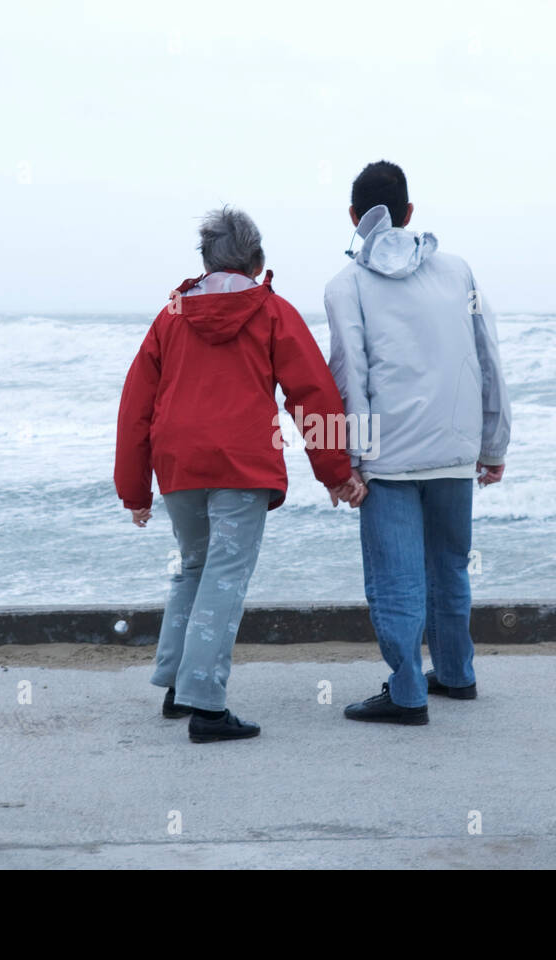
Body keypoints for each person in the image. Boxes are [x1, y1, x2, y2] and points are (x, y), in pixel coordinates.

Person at [115, 207, 363, 744]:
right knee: (224, 574)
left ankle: (178, 688)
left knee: (194, 568)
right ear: (258, 261)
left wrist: (134, 489)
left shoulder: (171, 315)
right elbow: (311, 394)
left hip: (178, 460)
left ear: (205, 262)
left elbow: (136, 403)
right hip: (241, 462)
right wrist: (336, 472)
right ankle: (205, 705)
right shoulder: (270, 310)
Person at [325, 161, 511, 725]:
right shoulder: (458, 271)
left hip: (389, 457)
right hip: (455, 449)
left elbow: (347, 376)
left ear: (355, 218)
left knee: (395, 579)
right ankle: (456, 674)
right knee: (450, 568)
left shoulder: (347, 284)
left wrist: (349, 461)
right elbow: (488, 357)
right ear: (409, 213)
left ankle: (407, 693)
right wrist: (493, 443)